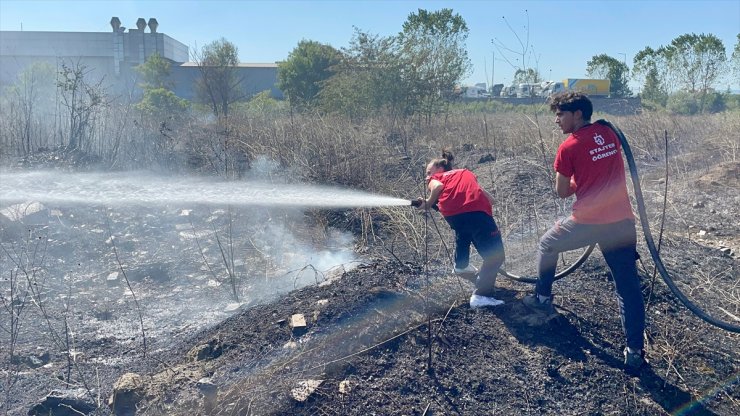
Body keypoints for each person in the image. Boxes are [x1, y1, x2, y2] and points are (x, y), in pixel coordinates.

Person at [522, 92, 647, 375]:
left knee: (547, 243)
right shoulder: (609, 133)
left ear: (577, 114)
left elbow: (561, 191)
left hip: (589, 221)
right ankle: (634, 352)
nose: (556, 120)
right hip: (622, 221)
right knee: (627, 287)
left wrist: (578, 181)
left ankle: (541, 300)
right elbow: (603, 167)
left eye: (560, 114)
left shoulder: (568, 147)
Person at [414, 151, 506, 309]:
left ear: (440, 169)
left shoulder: (437, 179)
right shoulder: (463, 173)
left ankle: (461, 265)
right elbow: (490, 199)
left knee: (463, 231)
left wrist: (429, 202)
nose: (427, 177)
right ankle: (481, 296)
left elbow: (438, 187)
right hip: (475, 212)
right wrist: (430, 202)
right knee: (495, 257)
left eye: (429, 173)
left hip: (455, 216)